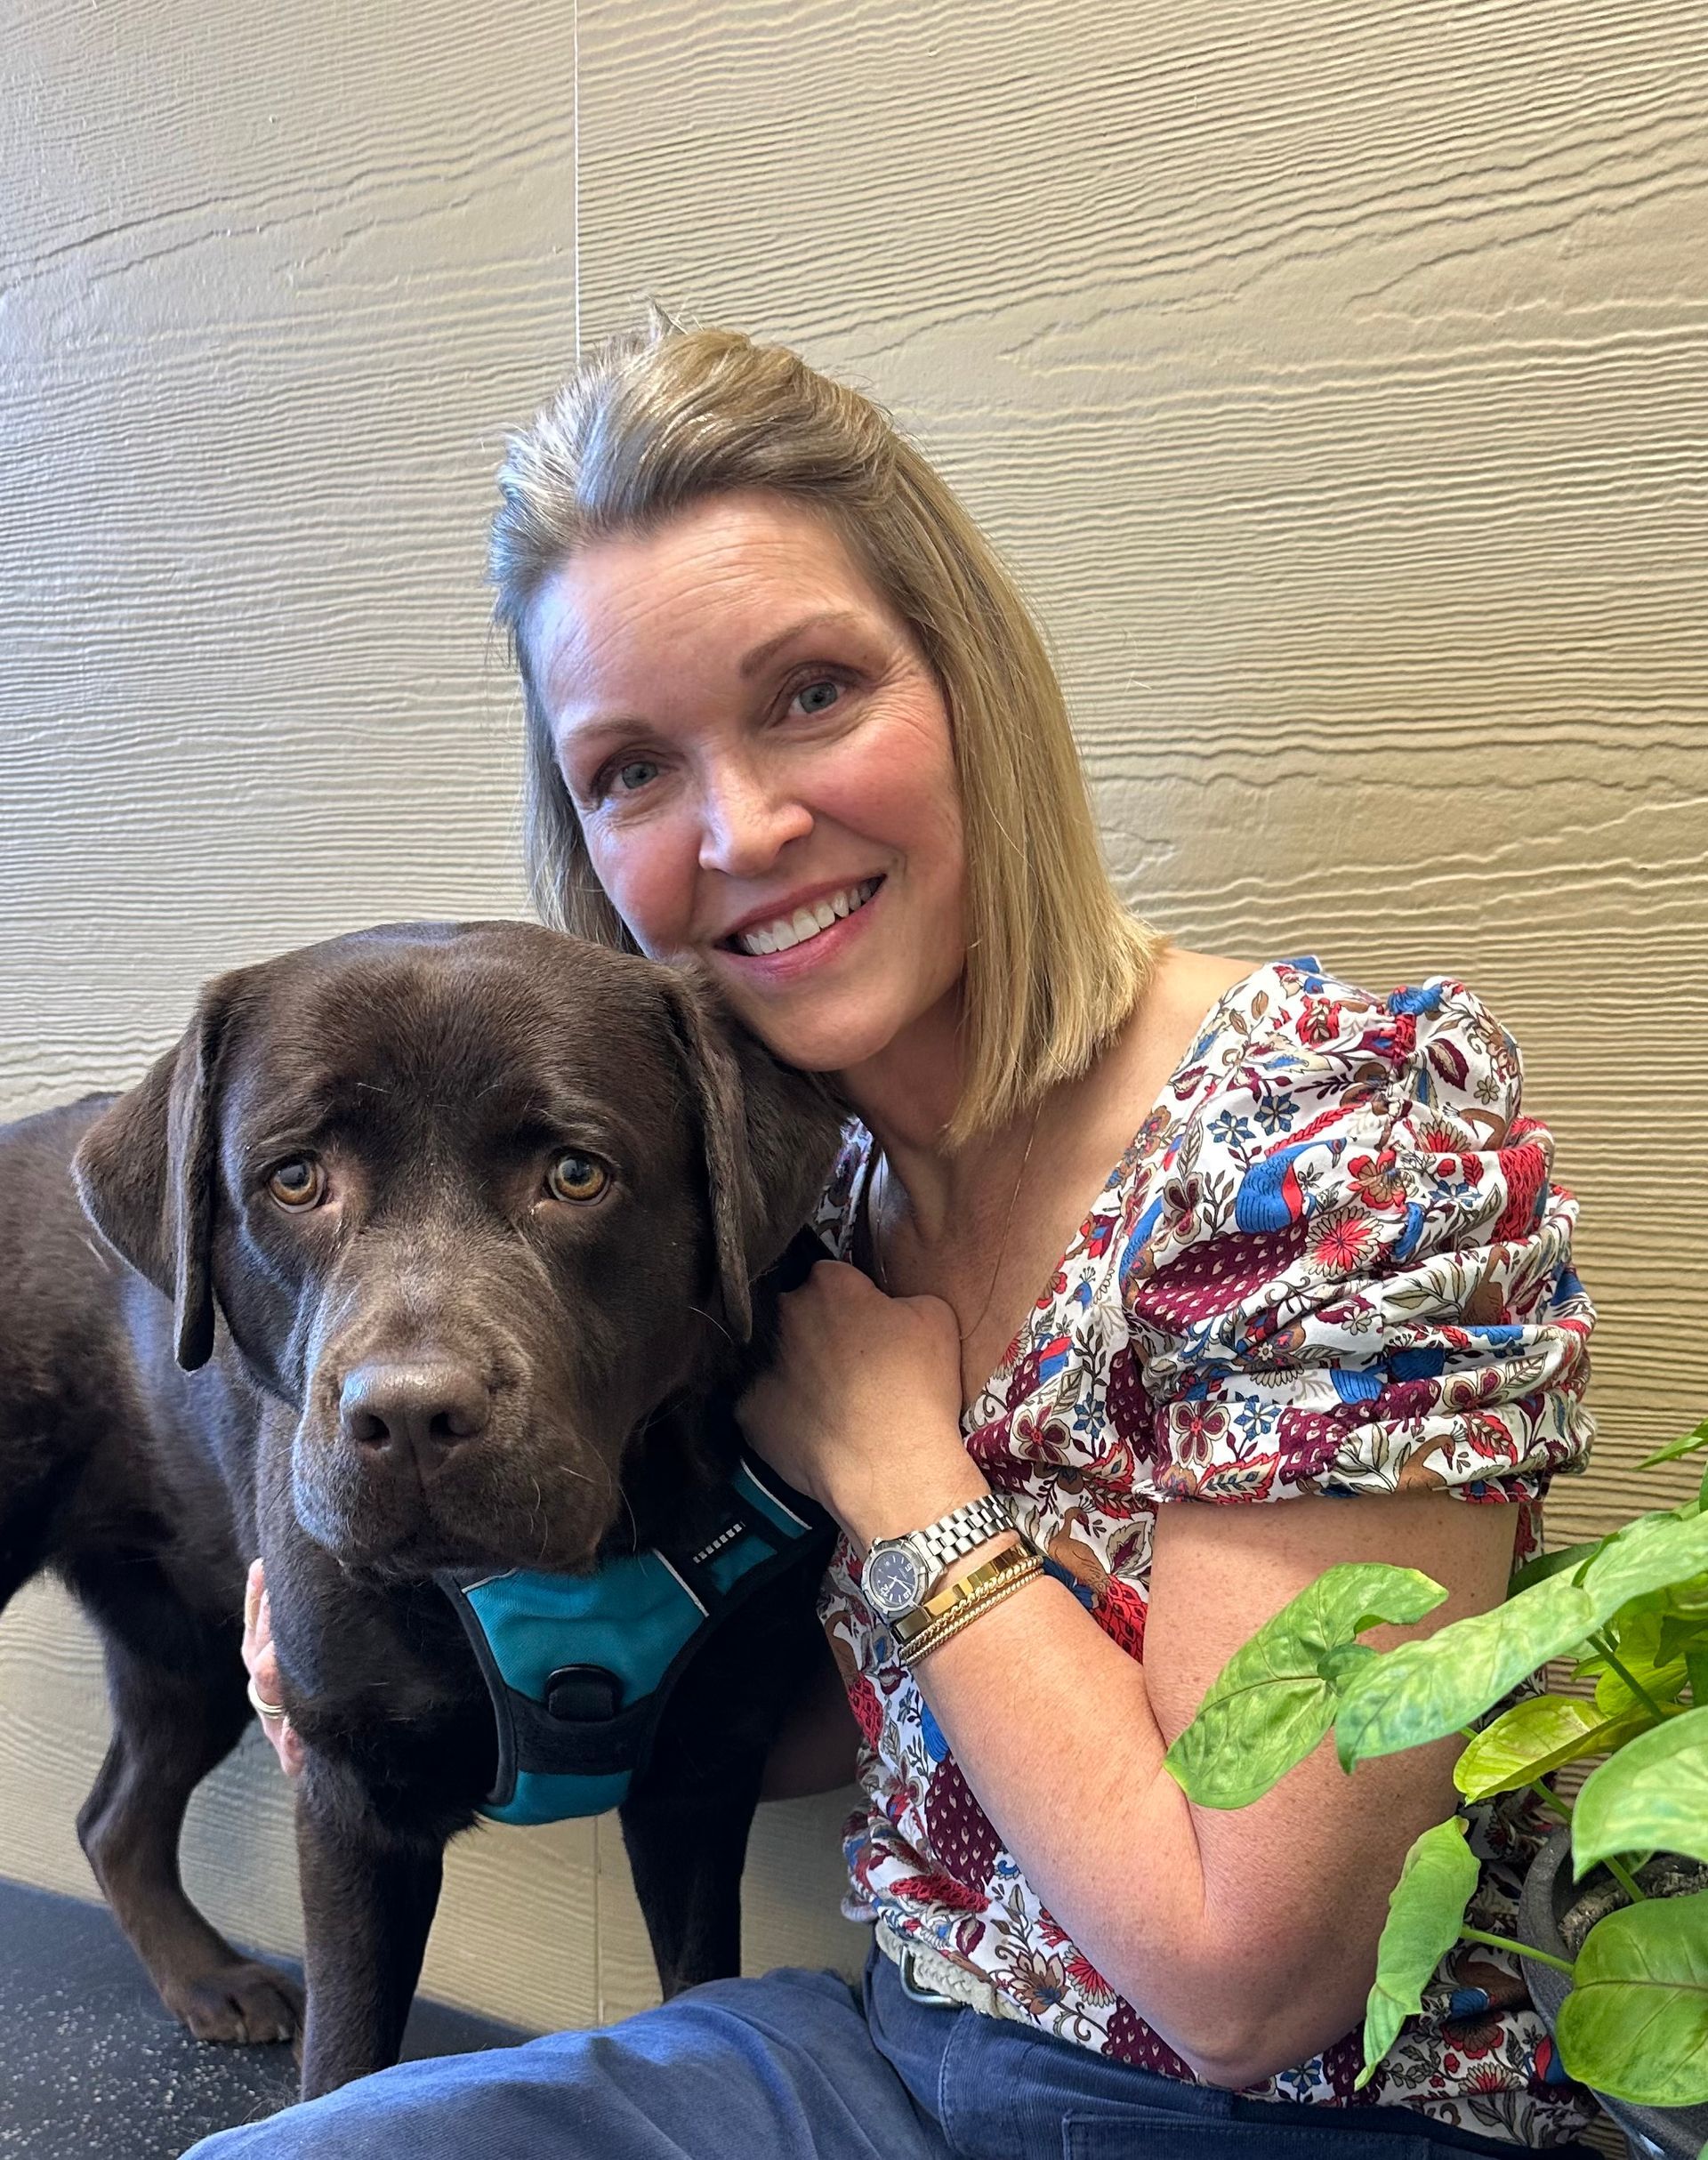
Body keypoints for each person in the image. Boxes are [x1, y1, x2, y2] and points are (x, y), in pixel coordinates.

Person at [192, 311, 1599, 2158]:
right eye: (630, 769)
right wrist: (387, 1641)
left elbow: (1247, 1982)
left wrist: (894, 1462)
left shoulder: (1333, 1135)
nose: (747, 822)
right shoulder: (778, 1193)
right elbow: (863, 1731)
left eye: (810, 694)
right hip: (894, 2049)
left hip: (1287, 2120)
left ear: (974, 684)